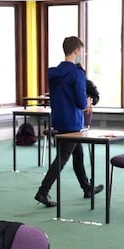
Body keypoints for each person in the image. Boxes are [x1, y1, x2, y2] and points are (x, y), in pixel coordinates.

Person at [34, 36, 103, 207]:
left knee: (77, 154)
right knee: (62, 158)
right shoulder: (77, 73)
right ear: (76, 51)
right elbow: (80, 101)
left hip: (59, 118)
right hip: (73, 121)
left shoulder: (54, 72)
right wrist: (87, 102)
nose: (83, 55)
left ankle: (86, 187)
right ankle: (43, 191)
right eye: (82, 51)